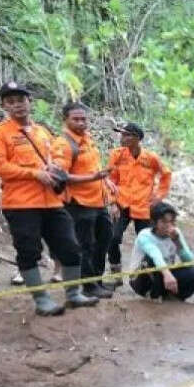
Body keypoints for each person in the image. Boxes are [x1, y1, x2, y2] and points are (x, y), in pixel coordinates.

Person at [0, 81, 97, 315]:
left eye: (21, 100)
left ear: (29, 102)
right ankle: (41, 300)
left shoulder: (41, 131)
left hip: (52, 201)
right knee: (29, 251)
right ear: (4, 105)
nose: (17, 106)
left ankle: (74, 294)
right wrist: (34, 174)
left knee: (70, 247)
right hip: (21, 204)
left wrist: (54, 169)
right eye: (11, 102)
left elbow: (52, 158)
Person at [52, 102, 114, 299]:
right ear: (65, 120)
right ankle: (88, 286)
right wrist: (93, 178)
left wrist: (106, 181)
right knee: (85, 245)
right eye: (76, 119)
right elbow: (60, 176)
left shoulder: (87, 139)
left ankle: (97, 281)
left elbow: (93, 167)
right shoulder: (63, 144)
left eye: (84, 119)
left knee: (104, 240)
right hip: (79, 204)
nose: (81, 122)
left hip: (99, 201)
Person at [106, 123, 170, 287]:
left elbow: (166, 175)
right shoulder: (117, 155)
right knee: (112, 238)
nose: (123, 138)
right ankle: (116, 274)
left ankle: (143, 277)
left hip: (144, 206)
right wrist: (112, 202)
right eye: (122, 135)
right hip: (122, 203)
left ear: (137, 139)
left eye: (127, 135)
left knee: (146, 242)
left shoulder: (151, 158)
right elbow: (111, 180)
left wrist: (158, 197)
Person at [127, 202, 194, 300]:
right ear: (154, 222)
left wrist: (177, 242)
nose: (168, 225)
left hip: (165, 274)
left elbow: (190, 261)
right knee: (150, 261)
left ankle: (175, 297)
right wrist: (167, 274)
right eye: (164, 222)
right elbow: (155, 255)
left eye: (172, 221)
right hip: (141, 279)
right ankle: (154, 296)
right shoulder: (144, 236)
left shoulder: (176, 233)